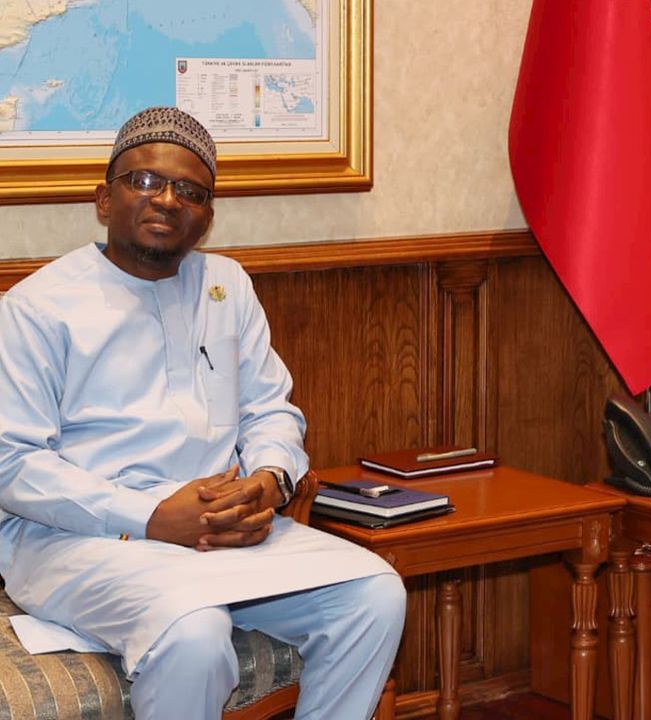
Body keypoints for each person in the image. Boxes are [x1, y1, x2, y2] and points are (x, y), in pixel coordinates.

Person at [0, 107, 406, 720]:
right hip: (80, 540)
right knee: (195, 632)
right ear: (104, 200)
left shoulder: (227, 285)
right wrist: (152, 516)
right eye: (144, 181)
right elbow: (13, 465)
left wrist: (269, 481)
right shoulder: (38, 306)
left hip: (223, 530)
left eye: (189, 191)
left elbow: (270, 410)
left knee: (373, 595)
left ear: (207, 217)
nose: (167, 200)